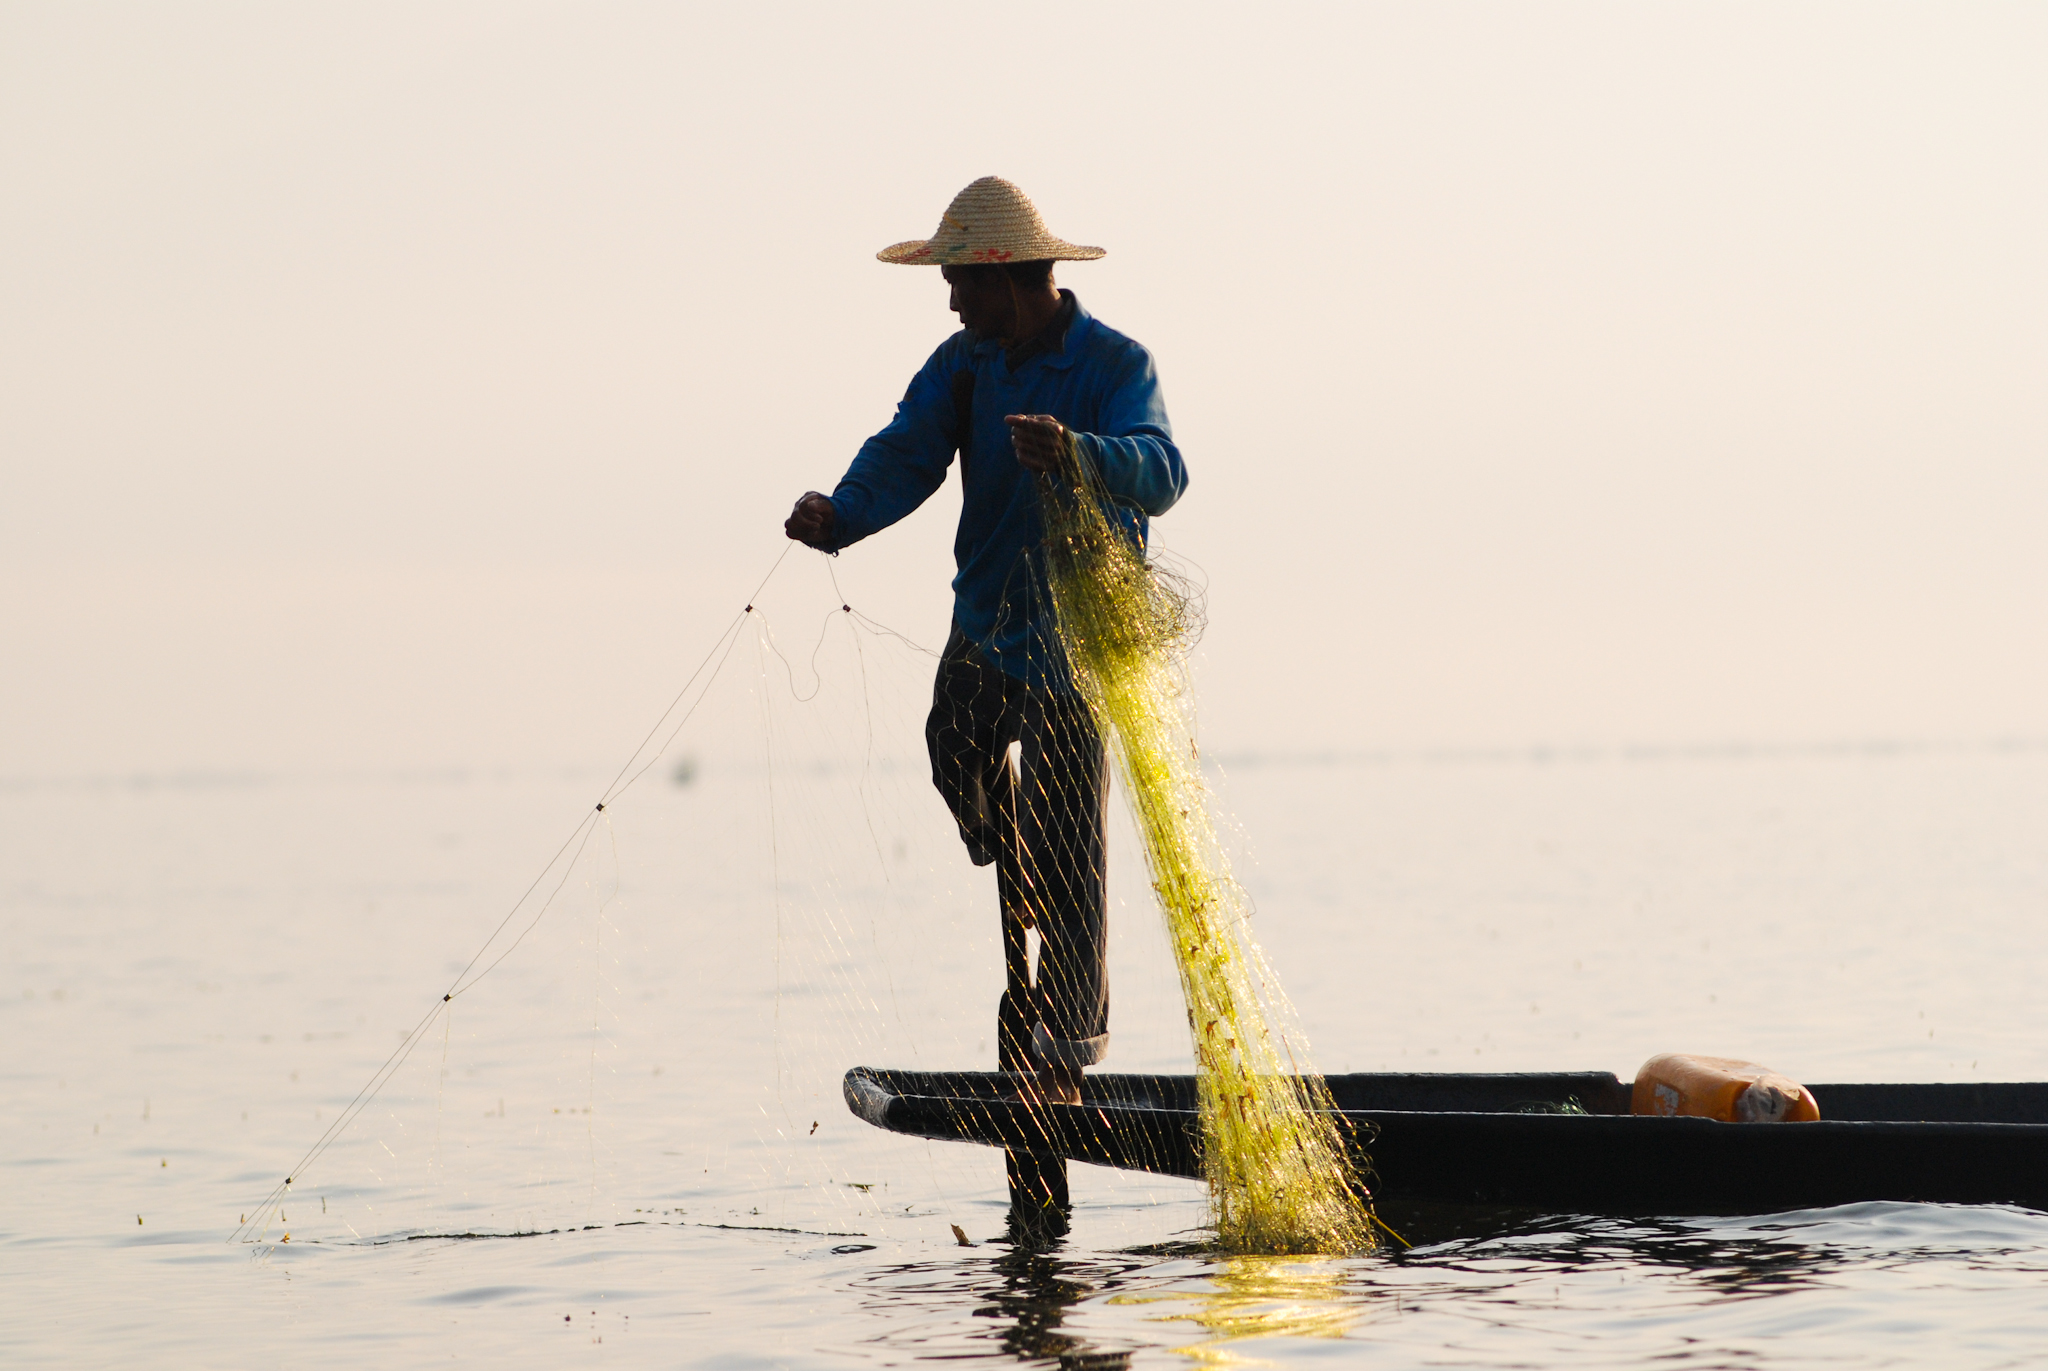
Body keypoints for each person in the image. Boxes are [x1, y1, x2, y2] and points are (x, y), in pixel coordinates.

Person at [783, 176, 1186, 1105]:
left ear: (1011, 279)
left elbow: (1163, 471)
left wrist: (1082, 453)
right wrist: (839, 514)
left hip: (1080, 647)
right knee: (951, 748)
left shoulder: (1117, 366)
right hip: (987, 627)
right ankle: (1004, 849)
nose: (954, 300)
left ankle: (1071, 1032)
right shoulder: (966, 365)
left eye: (963, 282)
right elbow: (906, 450)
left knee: (1068, 831)